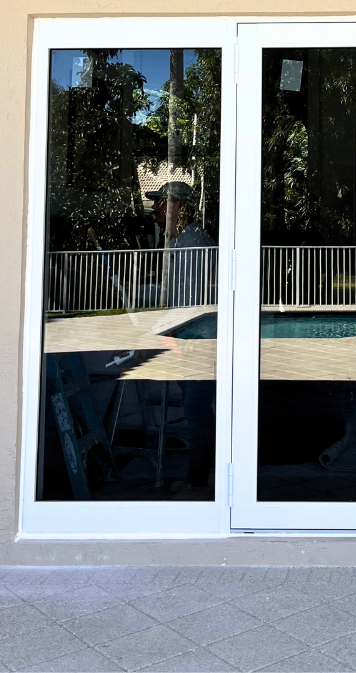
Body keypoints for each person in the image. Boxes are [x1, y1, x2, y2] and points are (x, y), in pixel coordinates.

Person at [145, 180, 216, 497]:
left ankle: (198, 479)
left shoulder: (192, 243)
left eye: (163, 203)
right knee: (198, 408)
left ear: (181, 208)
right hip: (194, 336)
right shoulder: (181, 242)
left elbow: (188, 300)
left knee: (197, 409)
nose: (157, 209)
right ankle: (203, 474)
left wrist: (171, 332)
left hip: (197, 339)